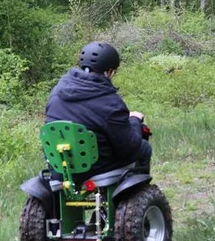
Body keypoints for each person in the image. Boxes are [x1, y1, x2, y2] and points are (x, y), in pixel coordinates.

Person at [45, 41, 151, 175]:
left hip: (60, 166)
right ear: (109, 72)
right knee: (144, 148)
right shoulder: (111, 102)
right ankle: (140, 193)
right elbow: (129, 147)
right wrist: (135, 120)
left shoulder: (56, 92)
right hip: (97, 166)